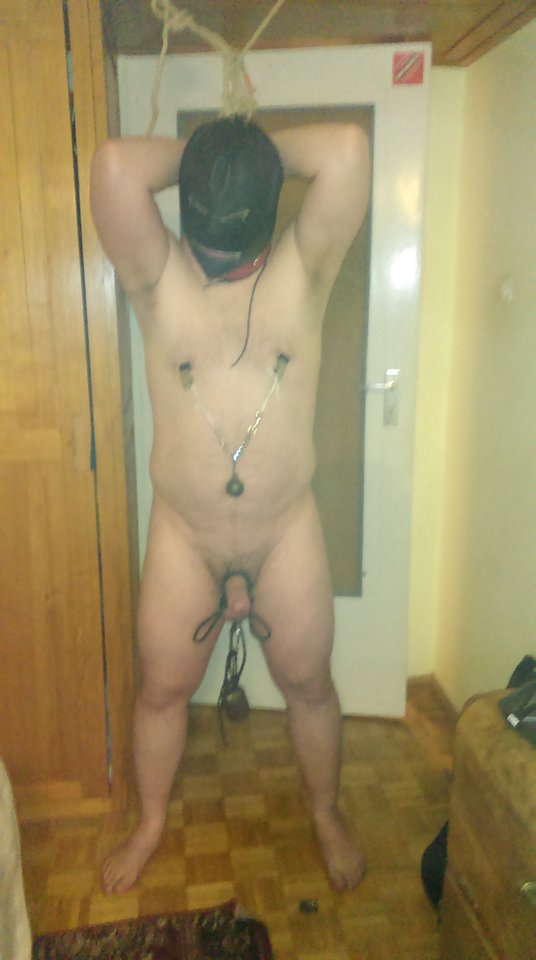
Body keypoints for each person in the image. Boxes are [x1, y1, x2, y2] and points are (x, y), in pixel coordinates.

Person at [90, 114, 370, 895]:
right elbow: (112, 167)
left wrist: (244, 161)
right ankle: (150, 824)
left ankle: (326, 815)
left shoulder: (303, 272)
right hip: (186, 535)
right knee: (160, 691)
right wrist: (213, 161)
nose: (222, 266)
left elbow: (348, 150)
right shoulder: (157, 277)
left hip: (285, 531)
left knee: (310, 685)